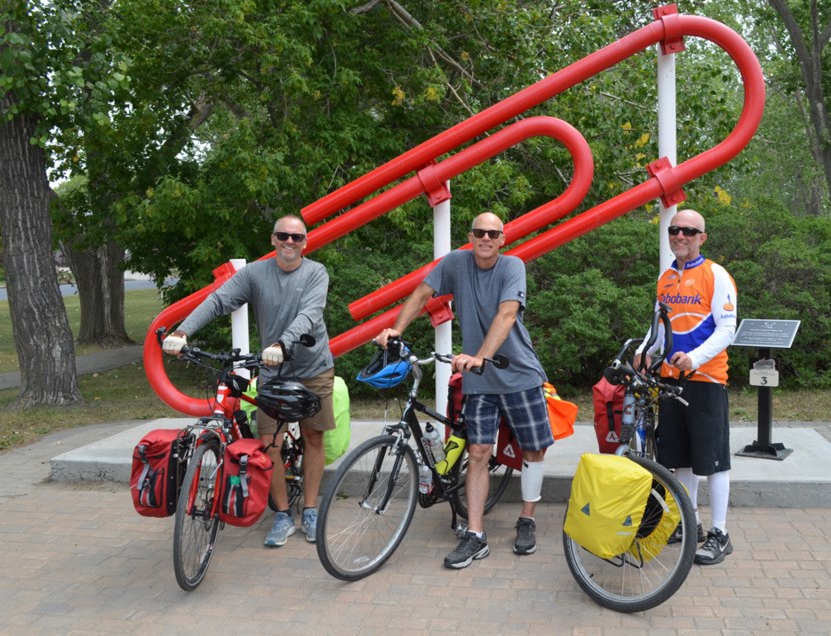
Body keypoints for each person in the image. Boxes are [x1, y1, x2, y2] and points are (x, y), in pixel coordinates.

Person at [374, 212, 553, 569]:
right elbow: (423, 291)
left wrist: (480, 357)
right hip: (480, 379)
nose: (486, 238)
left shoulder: (512, 266)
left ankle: (527, 518)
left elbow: (506, 314)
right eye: (479, 232)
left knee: (533, 450)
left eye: (493, 233)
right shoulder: (456, 262)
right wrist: (396, 329)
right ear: (469, 236)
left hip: (518, 374)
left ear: (502, 239)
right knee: (479, 450)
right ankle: (475, 535)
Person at [162, 215, 335, 546]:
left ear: (305, 243)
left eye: (297, 237)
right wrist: (183, 330)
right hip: (273, 369)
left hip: (313, 366)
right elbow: (218, 301)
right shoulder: (256, 273)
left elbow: (309, 315)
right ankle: (283, 514)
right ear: (273, 239)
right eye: (283, 235)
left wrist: (282, 344)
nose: (289, 241)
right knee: (271, 443)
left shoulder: (316, 273)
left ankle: (310, 509)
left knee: (314, 437)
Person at [635, 208, 737, 565]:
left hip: (706, 380)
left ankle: (720, 533)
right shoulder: (665, 279)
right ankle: (687, 521)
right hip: (669, 382)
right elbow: (659, 329)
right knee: (679, 460)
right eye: (675, 230)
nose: (680, 236)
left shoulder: (716, 275)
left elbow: (727, 329)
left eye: (689, 231)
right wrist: (642, 352)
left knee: (713, 460)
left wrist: (694, 358)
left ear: (702, 237)